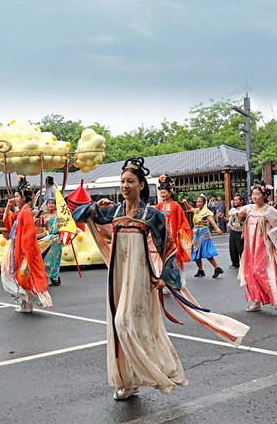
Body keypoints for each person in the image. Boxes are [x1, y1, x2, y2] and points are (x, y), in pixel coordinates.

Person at [73, 157, 249, 401]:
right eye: (123, 181)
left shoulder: (151, 214)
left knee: (125, 323)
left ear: (141, 185)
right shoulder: (114, 211)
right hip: (118, 274)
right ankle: (129, 381)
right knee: (118, 325)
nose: (125, 186)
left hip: (140, 276)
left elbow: (168, 247)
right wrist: (95, 204)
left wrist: (166, 276)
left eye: (130, 181)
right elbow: (77, 214)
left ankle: (152, 374)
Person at [237, 182, 277, 312]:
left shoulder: (269, 210)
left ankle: (275, 296)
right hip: (249, 246)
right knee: (250, 272)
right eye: (253, 194)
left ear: (265, 196)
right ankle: (257, 301)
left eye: (257, 194)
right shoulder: (250, 208)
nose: (254, 196)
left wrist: (271, 234)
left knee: (259, 271)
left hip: (263, 245)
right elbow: (234, 214)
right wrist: (239, 213)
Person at [1, 176, 53, 313]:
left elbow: (29, 235)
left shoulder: (26, 212)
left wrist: (26, 254)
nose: (15, 199)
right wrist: (8, 206)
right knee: (20, 276)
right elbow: (7, 220)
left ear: (24, 197)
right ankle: (25, 305)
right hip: (18, 249)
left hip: (24, 250)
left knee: (23, 277)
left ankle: (27, 305)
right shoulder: (22, 211)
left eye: (17, 196)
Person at [155, 175, 192, 278]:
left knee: (174, 258)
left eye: (164, 192)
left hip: (173, 237)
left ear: (170, 192)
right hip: (162, 237)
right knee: (162, 258)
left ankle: (176, 280)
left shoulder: (176, 206)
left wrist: (180, 232)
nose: (162, 195)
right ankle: (164, 280)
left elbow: (183, 222)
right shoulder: (159, 206)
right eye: (161, 193)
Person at [182, 195, 224, 278]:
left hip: (204, 233)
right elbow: (190, 208)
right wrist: (186, 203)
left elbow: (212, 221)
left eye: (200, 202)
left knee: (206, 251)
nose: (198, 203)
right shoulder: (197, 210)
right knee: (196, 251)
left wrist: (217, 228)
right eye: (197, 202)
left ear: (204, 203)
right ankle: (200, 270)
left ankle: (217, 268)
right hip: (196, 233)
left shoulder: (206, 212)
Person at [41, 198, 63, 286]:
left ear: (55, 205)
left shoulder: (58, 215)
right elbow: (42, 227)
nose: (51, 205)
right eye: (49, 203)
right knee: (48, 258)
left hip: (57, 238)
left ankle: (55, 279)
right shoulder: (44, 216)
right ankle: (54, 278)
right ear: (46, 205)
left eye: (52, 203)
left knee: (54, 259)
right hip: (49, 238)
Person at [222, 194, 245, 269]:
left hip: (240, 231)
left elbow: (245, 222)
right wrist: (223, 217)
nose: (234, 202)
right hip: (233, 230)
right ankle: (235, 263)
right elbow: (229, 220)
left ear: (241, 201)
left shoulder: (244, 210)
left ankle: (244, 263)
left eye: (236, 200)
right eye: (234, 200)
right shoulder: (234, 210)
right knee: (232, 248)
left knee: (240, 248)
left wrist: (243, 232)